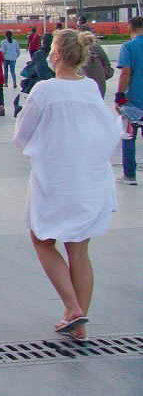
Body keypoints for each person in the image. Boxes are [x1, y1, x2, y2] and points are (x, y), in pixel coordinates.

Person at [13, 29, 121, 341]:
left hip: (56, 178)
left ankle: (72, 307)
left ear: (56, 55)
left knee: (42, 239)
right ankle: (79, 326)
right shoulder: (89, 87)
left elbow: (21, 136)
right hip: (89, 178)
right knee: (79, 248)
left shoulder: (44, 90)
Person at [115, 17, 143, 185]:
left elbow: (125, 73)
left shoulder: (128, 47)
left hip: (133, 100)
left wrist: (119, 95)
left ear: (129, 29)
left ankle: (129, 175)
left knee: (129, 135)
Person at [79, 30, 114, 98]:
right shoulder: (98, 48)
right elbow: (108, 69)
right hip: (99, 85)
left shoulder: (77, 49)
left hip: (81, 86)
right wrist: (100, 73)